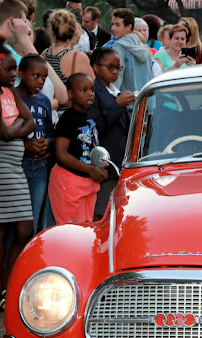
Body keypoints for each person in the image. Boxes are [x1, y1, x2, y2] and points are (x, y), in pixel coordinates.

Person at [0, 42, 35, 312]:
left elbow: (31, 123)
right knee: (1, 227)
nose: (15, 73)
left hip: (15, 167)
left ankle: (7, 283)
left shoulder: (11, 92)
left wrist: (13, 130)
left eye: (15, 68)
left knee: (24, 229)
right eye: (9, 68)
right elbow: (1, 132)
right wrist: (16, 130)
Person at [49, 73, 108, 224]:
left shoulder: (91, 116)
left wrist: (100, 166)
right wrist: (89, 170)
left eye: (92, 90)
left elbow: (90, 148)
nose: (90, 94)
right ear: (70, 93)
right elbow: (61, 155)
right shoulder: (68, 118)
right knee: (71, 231)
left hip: (88, 182)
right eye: (84, 90)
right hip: (69, 183)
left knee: (86, 229)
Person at [88, 47, 135, 219]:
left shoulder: (115, 90)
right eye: (110, 67)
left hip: (119, 163)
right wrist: (118, 105)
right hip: (105, 164)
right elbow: (96, 127)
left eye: (118, 68)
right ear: (95, 67)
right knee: (101, 213)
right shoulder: (93, 91)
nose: (115, 72)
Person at [18, 54, 54, 232]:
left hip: (40, 166)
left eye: (44, 77)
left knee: (33, 218)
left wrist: (48, 141)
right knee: (17, 221)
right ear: (21, 73)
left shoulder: (44, 101)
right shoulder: (13, 97)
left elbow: (50, 130)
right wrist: (25, 145)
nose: (40, 81)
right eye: (35, 76)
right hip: (18, 166)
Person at [43, 8, 94, 86]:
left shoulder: (45, 54)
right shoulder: (78, 57)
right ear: (75, 30)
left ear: (52, 32)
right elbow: (95, 86)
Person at [110, 8, 154, 94]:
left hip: (127, 102)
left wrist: (111, 99)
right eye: (113, 24)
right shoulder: (144, 46)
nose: (113, 28)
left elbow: (116, 78)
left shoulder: (118, 47)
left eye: (117, 25)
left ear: (129, 27)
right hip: (146, 102)